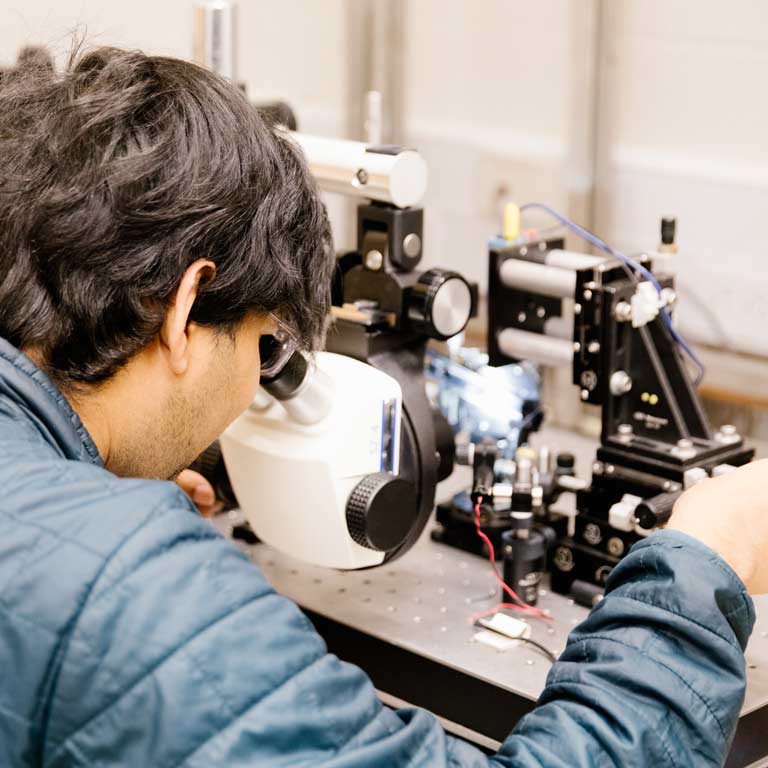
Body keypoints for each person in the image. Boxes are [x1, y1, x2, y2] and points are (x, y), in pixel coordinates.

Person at [0, 44, 762, 768]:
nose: (253, 389)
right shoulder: (138, 586)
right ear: (185, 307)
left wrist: (94, 485)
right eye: (267, 349)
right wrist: (703, 562)